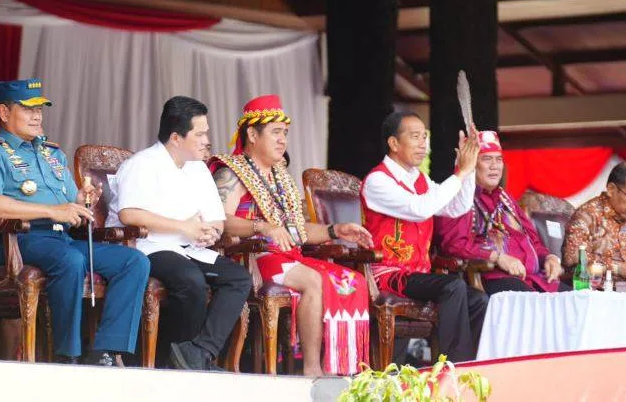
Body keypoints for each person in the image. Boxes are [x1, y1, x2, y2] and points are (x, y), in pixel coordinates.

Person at [0, 78, 149, 366]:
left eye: (39, 109)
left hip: (60, 239)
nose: (37, 116)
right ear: (4, 112)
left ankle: (105, 352)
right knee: (70, 261)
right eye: (28, 109)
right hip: (15, 239)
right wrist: (51, 211)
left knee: (133, 261)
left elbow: (70, 200)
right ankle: (67, 355)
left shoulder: (51, 153)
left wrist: (84, 199)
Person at [210, 94, 373, 376]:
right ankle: (311, 369)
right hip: (253, 258)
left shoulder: (280, 176)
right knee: (313, 280)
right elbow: (220, 221)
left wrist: (335, 230)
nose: (283, 140)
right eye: (275, 132)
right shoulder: (231, 173)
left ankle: (343, 368)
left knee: (352, 280)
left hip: (288, 256)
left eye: (285, 133)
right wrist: (262, 227)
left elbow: (298, 231)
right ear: (252, 134)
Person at [106, 96, 251, 372]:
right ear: (175, 137)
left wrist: (211, 233)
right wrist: (185, 227)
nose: (207, 140)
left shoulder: (198, 168)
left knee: (238, 278)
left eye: (206, 132)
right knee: (190, 280)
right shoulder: (143, 163)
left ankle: (199, 353)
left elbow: (216, 219)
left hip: (190, 247)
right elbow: (130, 215)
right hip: (149, 247)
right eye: (200, 134)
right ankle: (169, 358)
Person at [361, 111, 486, 363]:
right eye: (415, 136)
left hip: (417, 274)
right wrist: (460, 174)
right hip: (389, 274)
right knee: (453, 286)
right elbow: (421, 209)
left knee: (478, 300)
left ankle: (470, 364)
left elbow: (456, 207)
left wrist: (467, 169)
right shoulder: (378, 180)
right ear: (394, 143)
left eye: (424, 137)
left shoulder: (420, 179)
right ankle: (453, 367)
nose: (422, 144)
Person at [434, 131, 565, 294]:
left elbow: (533, 240)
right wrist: (497, 257)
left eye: (499, 159)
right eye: (487, 159)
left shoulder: (505, 198)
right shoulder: (459, 198)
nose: (494, 166)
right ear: (471, 164)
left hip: (534, 278)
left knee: (575, 297)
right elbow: (454, 245)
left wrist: (549, 258)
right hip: (493, 277)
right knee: (534, 302)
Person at [563, 161, 626, 280]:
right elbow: (572, 262)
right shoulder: (588, 215)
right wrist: (616, 268)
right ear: (611, 189)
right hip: (590, 289)